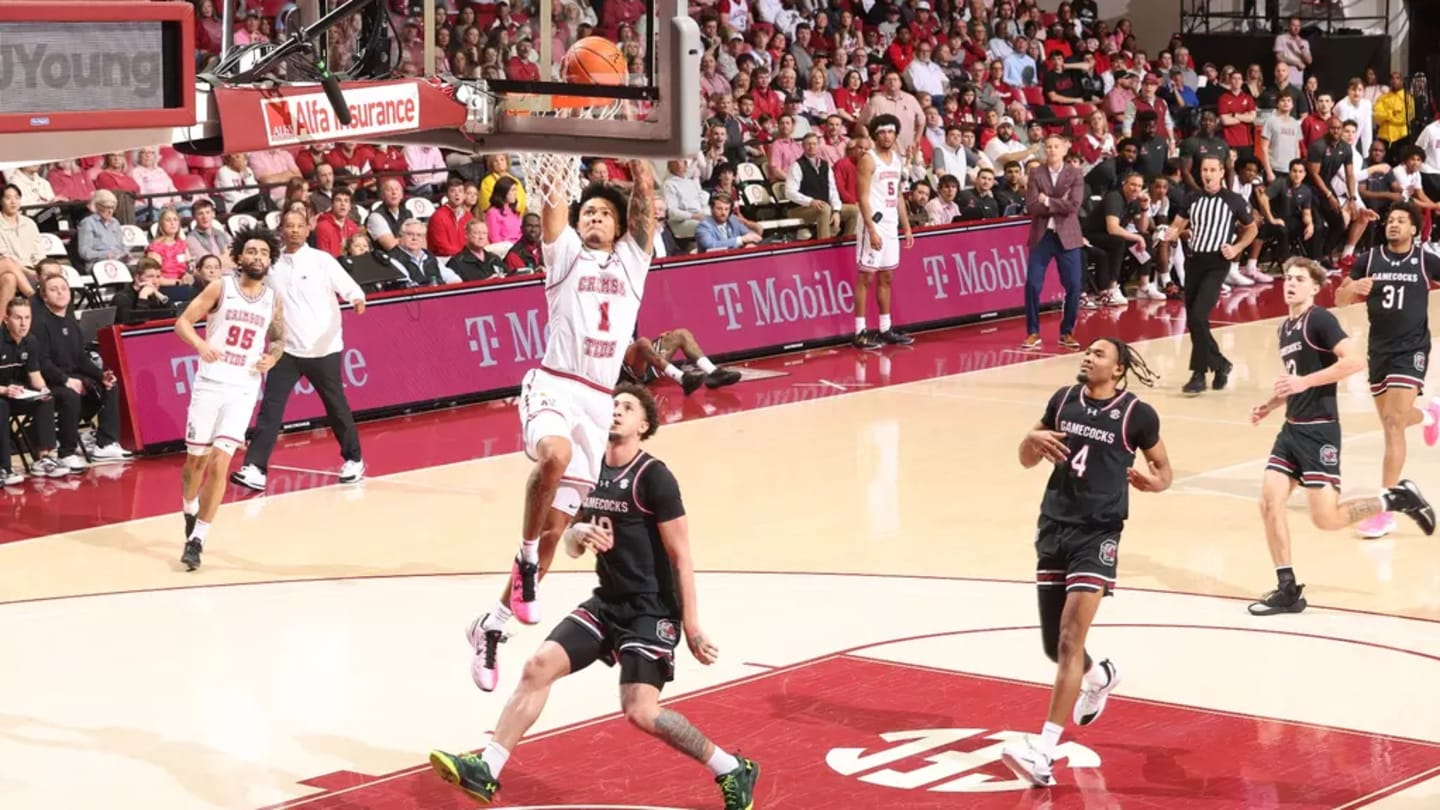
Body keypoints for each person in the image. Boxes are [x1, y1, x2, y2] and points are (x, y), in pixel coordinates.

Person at [431, 384, 759, 807]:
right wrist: (579, 532)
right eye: (613, 405)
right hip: (607, 603)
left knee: (641, 711)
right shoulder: (588, 470)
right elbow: (568, 543)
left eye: (627, 407)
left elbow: (681, 556)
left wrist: (692, 626)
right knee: (537, 666)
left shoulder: (653, 477)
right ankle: (487, 770)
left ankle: (731, 768)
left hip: (650, 610)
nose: (617, 411)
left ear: (644, 424)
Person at [467, 158, 657, 691]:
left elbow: (644, 195)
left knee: (555, 532)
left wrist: (641, 154)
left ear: (619, 226)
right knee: (555, 455)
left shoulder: (633, 262)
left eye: (604, 213)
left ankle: (491, 626)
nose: (594, 217)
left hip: (597, 402)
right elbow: (553, 196)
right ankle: (525, 560)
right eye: (587, 212)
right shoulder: (566, 253)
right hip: (554, 382)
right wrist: (553, 149)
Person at [1003, 337, 1170, 787]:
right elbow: (1026, 460)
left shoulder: (1137, 414)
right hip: (1053, 526)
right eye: (1088, 352)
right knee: (1053, 647)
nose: (1088, 357)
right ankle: (1100, 677)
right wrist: (1031, 439)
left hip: (1098, 533)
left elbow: (1164, 471)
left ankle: (1044, 751)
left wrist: (1152, 483)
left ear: (1117, 370)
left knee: (1070, 639)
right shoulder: (1062, 400)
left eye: (1098, 354)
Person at [1248, 257, 1435, 616]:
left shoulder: (1319, 319)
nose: (1291, 284)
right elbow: (1297, 379)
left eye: (1299, 279)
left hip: (1319, 432)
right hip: (1291, 429)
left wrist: (1304, 382)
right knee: (1269, 503)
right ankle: (1287, 588)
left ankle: (1395, 499)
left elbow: (1354, 361)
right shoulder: (1285, 328)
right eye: (1288, 278)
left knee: (1327, 519)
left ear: (1315, 288)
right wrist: (1271, 404)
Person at [231, 210, 368, 492]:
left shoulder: (322, 260)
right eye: (289, 226)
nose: (294, 230)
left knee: (336, 407)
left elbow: (351, 288)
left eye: (299, 226)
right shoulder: (271, 265)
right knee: (270, 409)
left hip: (324, 348)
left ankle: (354, 460)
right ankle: (255, 468)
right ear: (281, 230)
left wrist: (357, 299)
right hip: (286, 350)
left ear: (308, 230)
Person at [174, 228, 285, 571]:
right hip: (210, 383)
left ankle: (198, 539)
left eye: (263, 252)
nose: (257, 257)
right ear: (239, 257)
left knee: (220, 463)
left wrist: (273, 357)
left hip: (243, 387)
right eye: (251, 251)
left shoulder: (272, 299)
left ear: (270, 260)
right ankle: (189, 508)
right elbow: (183, 322)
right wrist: (200, 344)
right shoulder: (220, 287)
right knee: (195, 464)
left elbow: (279, 339)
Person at [1334, 205, 1440, 539]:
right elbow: (1339, 299)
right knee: (1392, 422)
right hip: (1379, 350)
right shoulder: (1369, 259)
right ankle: (1429, 416)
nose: (1394, 224)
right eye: (1391, 220)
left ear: (1414, 229)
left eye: (1401, 221)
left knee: (1394, 423)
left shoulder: (1425, 260)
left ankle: (1386, 510)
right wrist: (1353, 288)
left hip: (1412, 349)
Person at [1162, 155, 1256, 395]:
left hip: (1217, 263)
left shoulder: (1233, 200)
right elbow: (1178, 224)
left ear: (1222, 172)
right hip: (1194, 262)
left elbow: (1252, 228)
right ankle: (1220, 363)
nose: (1208, 174)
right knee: (1195, 321)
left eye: (1213, 170)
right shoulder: (1192, 198)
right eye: (1205, 170)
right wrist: (1171, 233)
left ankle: (1199, 374)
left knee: (1198, 316)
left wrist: (1236, 248)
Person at [852, 114, 915, 350]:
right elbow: (862, 198)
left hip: (890, 224)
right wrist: (871, 229)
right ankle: (859, 332)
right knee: (866, 277)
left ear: (895, 134)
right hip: (873, 223)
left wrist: (906, 227)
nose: (886, 136)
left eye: (890, 132)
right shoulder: (868, 160)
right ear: (874, 135)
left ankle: (885, 328)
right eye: (881, 132)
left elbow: (898, 196)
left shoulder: (897, 160)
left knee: (887, 276)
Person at [1021, 134, 1085, 351]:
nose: (1052, 150)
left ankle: (1067, 332)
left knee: (1074, 285)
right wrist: (1060, 202)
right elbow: (1032, 206)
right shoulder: (1036, 173)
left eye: (1056, 146)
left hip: (1068, 235)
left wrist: (1047, 200)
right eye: (1048, 147)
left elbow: (1074, 206)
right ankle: (1032, 332)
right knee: (1032, 284)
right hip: (1043, 236)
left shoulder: (1075, 173)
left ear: (1064, 149)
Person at [620, 329, 744, 393]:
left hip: (642, 358)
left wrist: (657, 342)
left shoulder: (628, 308)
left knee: (681, 334)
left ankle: (714, 373)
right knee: (642, 342)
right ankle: (683, 379)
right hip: (623, 369)